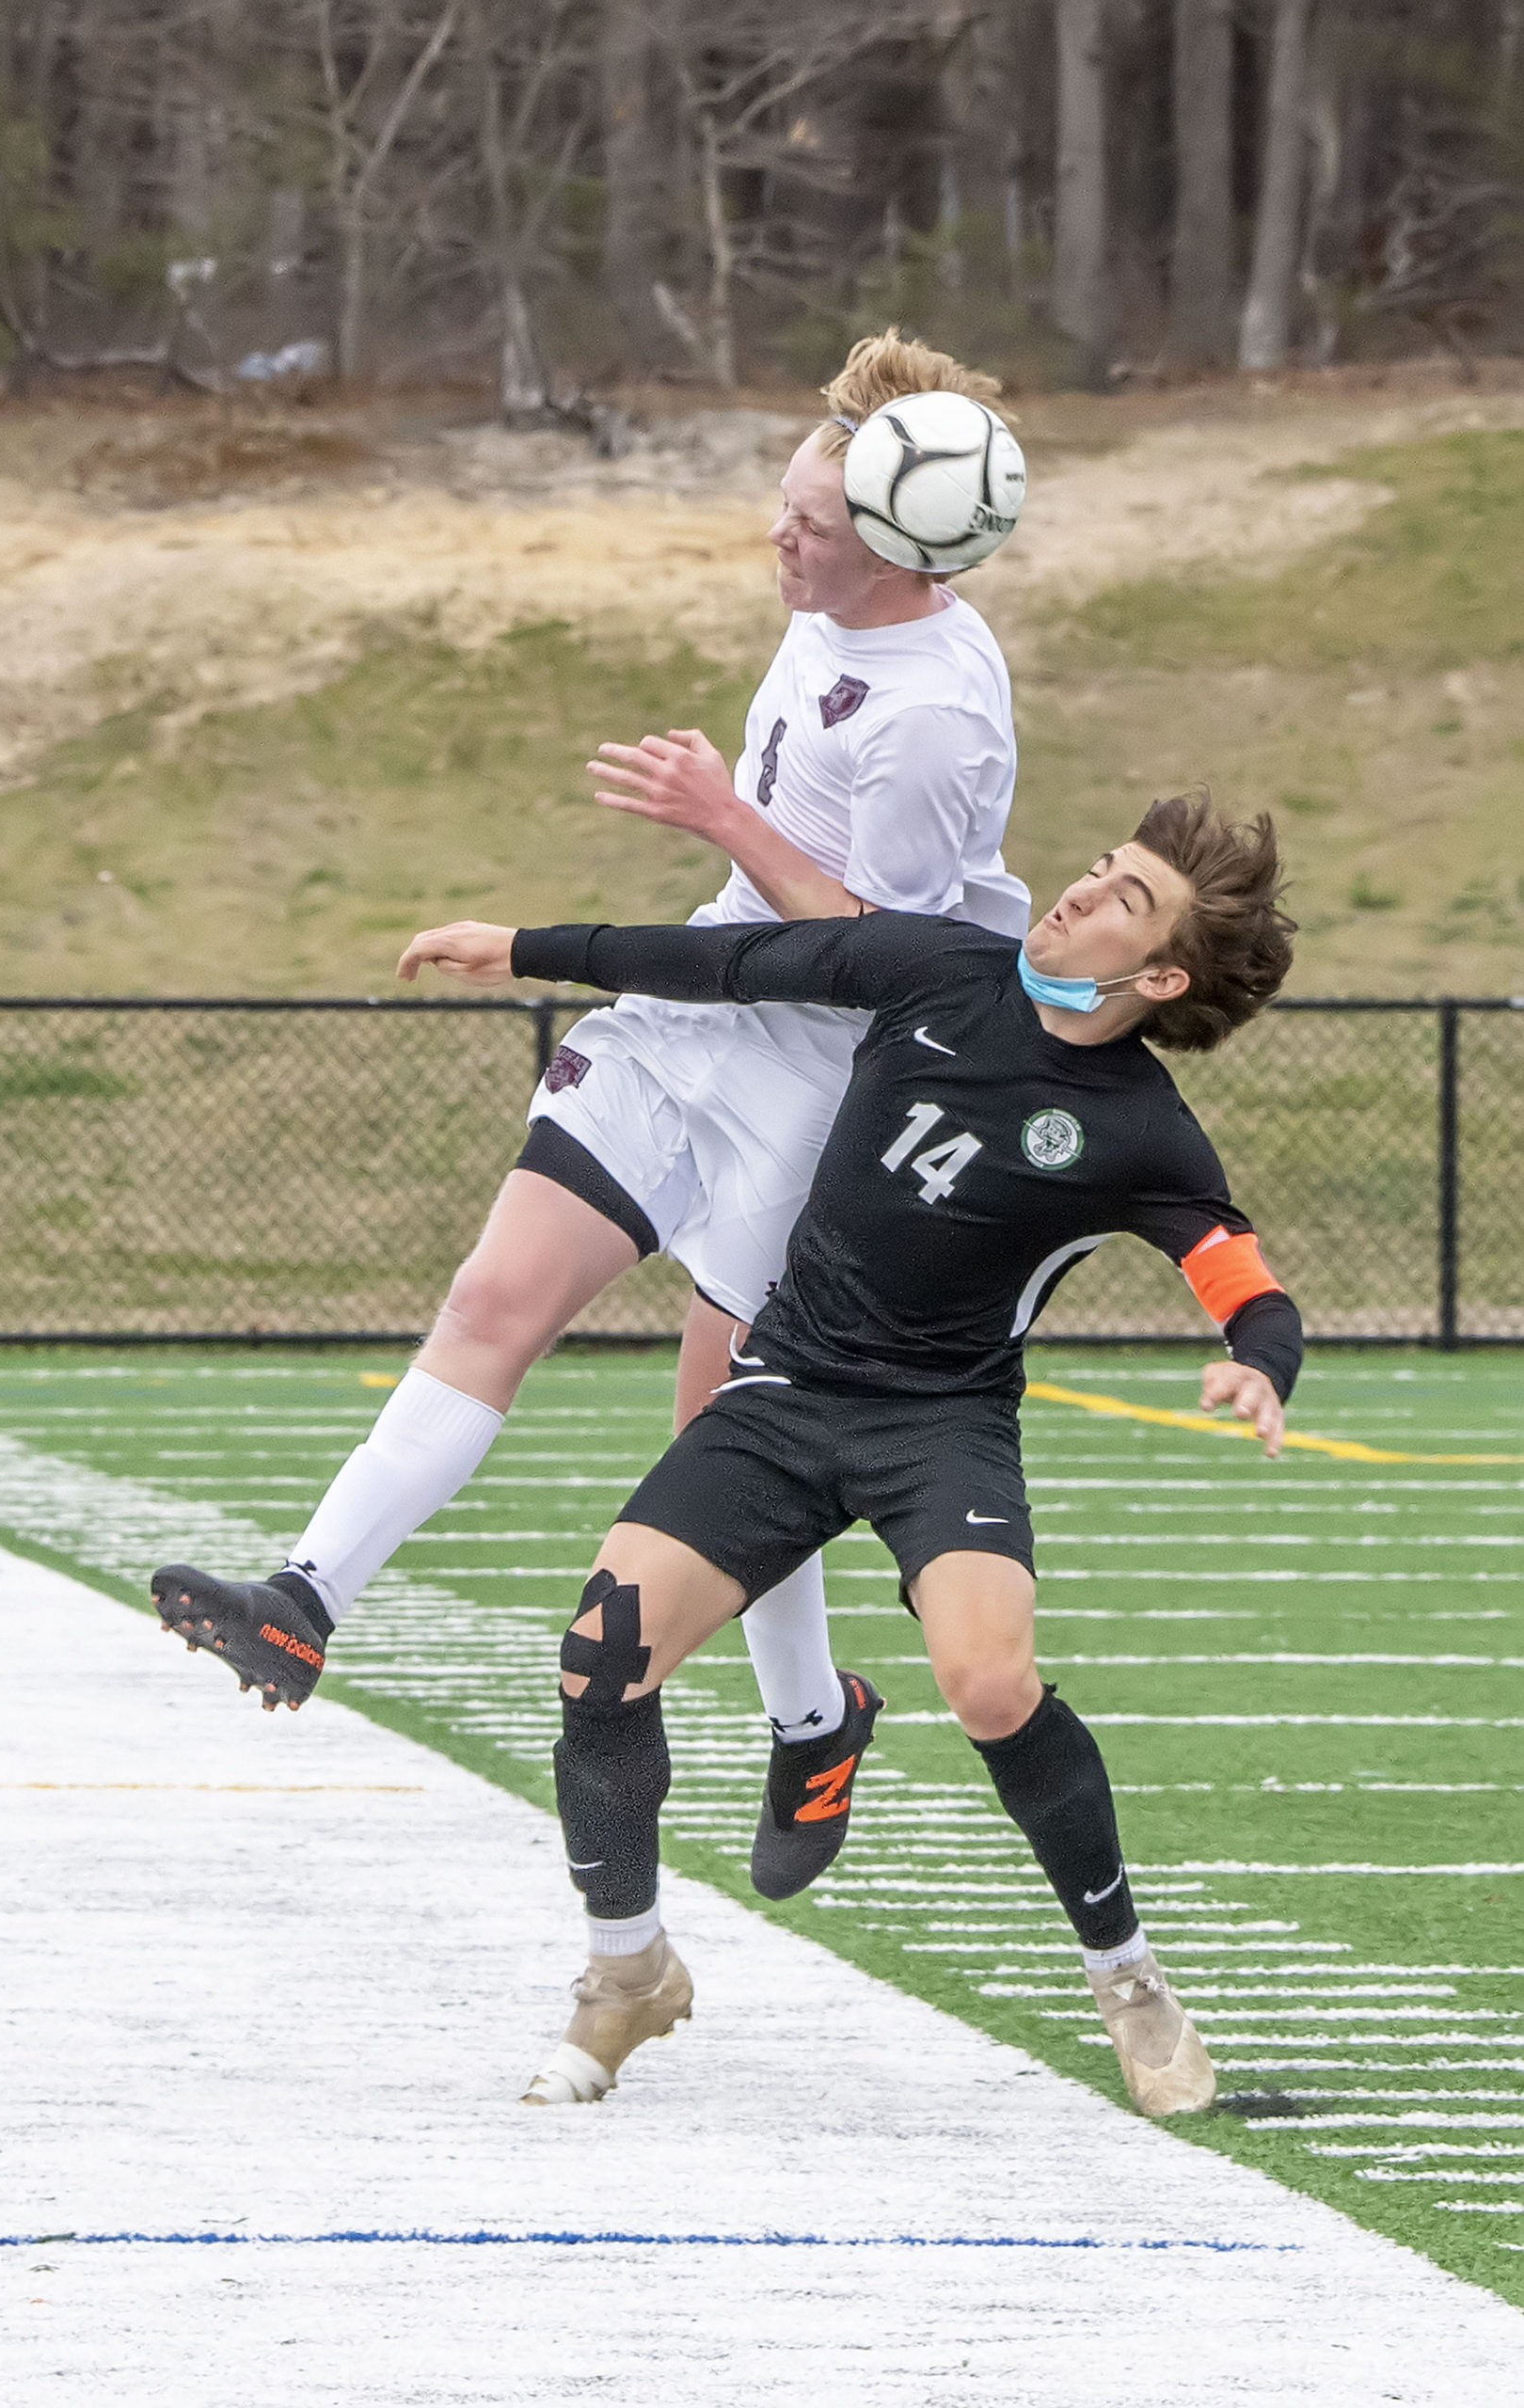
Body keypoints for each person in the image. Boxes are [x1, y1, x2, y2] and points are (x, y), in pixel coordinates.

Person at [151, 331, 1029, 1893]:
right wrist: (720, 839)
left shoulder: (941, 712)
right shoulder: (831, 606)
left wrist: (721, 813)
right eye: (783, 503)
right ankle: (304, 1599)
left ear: (899, 546)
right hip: (693, 1018)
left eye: (811, 526)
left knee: (726, 1432)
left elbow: (865, 954)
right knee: (496, 1293)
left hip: (825, 1081)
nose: (780, 538)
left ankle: (814, 1724)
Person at [397, 791, 1303, 2118]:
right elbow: (727, 964)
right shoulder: (935, 968)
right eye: (1098, 864)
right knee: (602, 1658)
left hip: (941, 1425)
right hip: (784, 1391)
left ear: (1160, 976)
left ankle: (1130, 1982)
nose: (1081, 890)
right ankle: (625, 1973)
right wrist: (525, 945)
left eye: (1124, 898)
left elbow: (1247, 1284)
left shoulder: (1141, 1129)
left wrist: (1258, 1362)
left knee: (991, 1687)